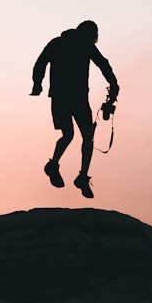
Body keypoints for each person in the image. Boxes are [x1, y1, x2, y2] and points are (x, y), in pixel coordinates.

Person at [31, 20, 119, 199]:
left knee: (71, 135)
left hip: (64, 97)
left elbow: (40, 63)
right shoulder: (84, 45)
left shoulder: (58, 43)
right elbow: (103, 64)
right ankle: (74, 174)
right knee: (83, 136)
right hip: (72, 97)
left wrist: (37, 84)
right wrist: (113, 84)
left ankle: (62, 169)